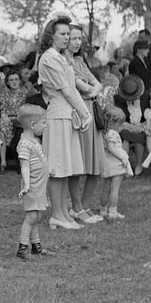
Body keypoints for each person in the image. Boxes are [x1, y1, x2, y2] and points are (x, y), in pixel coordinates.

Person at [36, 14, 92, 231]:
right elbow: (67, 90)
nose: (67, 38)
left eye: (69, 34)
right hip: (58, 115)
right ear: (51, 35)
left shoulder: (60, 58)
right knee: (57, 168)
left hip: (67, 114)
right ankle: (57, 214)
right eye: (63, 34)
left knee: (65, 168)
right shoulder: (49, 58)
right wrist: (84, 112)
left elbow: (73, 89)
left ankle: (62, 212)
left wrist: (81, 112)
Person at [66, 25, 104, 222]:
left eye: (79, 38)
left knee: (95, 165)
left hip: (91, 111)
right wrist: (90, 88)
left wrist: (91, 89)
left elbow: (96, 85)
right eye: (73, 38)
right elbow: (80, 87)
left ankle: (85, 204)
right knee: (78, 165)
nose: (77, 42)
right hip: (77, 114)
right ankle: (76, 207)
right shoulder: (64, 62)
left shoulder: (80, 60)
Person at [15, 104, 50, 259]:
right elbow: (25, 167)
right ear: (32, 124)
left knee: (36, 217)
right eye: (43, 122)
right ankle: (22, 249)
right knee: (31, 217)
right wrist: (27, 184)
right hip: (33, 187)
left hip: (39, 187)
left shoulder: (34, 140)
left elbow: (40, 161)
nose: (45, 125)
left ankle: (36, 247)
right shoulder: (24, 144)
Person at [100, 106, 133, 222]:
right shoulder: (113, 133)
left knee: (105, 188)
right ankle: (113, 212)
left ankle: (103, 210)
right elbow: (112, 148)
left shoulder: (102, 132)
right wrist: (123, 158)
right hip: (115, 165)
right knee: (114, 189)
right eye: (120, 124)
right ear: (113, 123)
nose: (120, 127)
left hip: (105, 164)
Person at [0, 67, 28, 172]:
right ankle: (2, 162)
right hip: (7, 122)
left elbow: (24, 112)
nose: (14, 82)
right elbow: (3, 111)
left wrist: (12, 118)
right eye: (11, 80)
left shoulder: (24, 94)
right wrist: (6, 118)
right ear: (7, 82)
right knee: (0, 129)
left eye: (16, 79)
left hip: (20, 121)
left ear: (20, 81)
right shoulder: (4, 95)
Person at [114, 74, 147, 175]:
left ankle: (139, 164)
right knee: (124, 134)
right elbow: (120, 119)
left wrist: (141, 126)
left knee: (138, 136)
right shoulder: (118, 100)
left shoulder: (146, 97)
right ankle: (126, 164)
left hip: (144, 127)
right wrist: (133, 127)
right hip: (126, 127)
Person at [127, 39, 151, 109]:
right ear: (138, 50)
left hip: (146, 92)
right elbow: (136, 81)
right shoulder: (134, 63)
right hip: (139, 95)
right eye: (146, 48)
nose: (148, 51)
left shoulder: (146, 61)